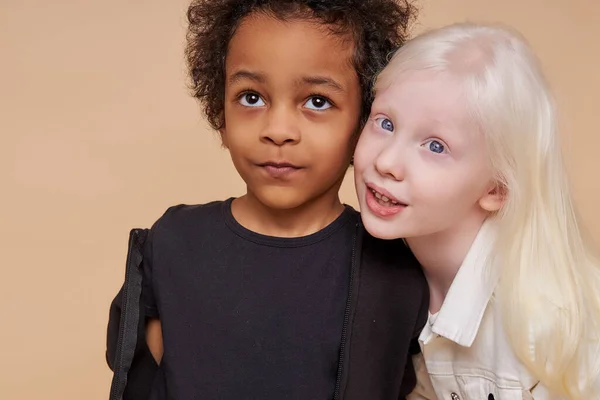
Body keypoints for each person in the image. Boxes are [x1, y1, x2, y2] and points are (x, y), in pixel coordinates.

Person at [106, 1, 429, 399]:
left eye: (317, 101)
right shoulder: (174, 243)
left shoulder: (396, 269)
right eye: (251, 97)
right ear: (219, 114)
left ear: (364, 123)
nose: (278, 131)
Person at [353, 22, 600, 399]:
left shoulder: (543, 323)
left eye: (435, 147)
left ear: (497, 188)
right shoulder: (388, 277)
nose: (387, 161)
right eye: (385, 123)